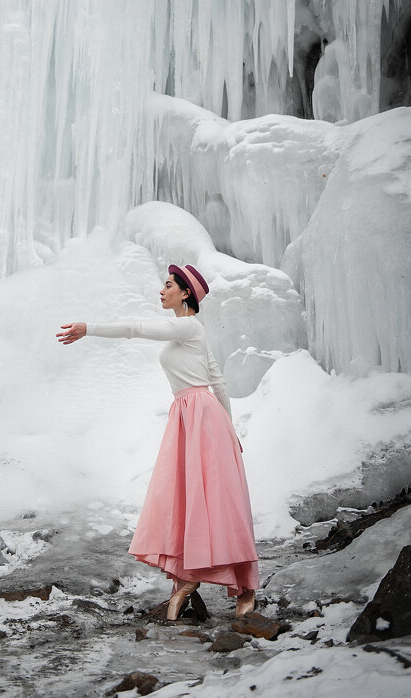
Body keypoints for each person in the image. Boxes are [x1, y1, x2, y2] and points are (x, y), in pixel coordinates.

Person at [57, 264, 259, 620]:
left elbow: (136, 329)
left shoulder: (186, 326)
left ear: (185, 293)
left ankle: (240, 585)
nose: (161, 290)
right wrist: (230, 425)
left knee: (208, 497)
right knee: (184, 494)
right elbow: (219, 381)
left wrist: (89, 328)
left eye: (167, 285)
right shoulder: (191, 333)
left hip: (199, 415)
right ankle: (188, 576)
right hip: (188, 414)